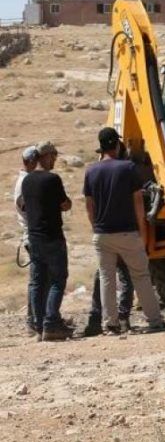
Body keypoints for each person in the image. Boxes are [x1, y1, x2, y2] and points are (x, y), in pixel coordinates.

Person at [84, 127, 165, 333]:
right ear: (116, 145)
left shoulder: (91, 171)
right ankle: (154, 320)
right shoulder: (128, 168)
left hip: (102, 234)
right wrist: (142, 231)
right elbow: (138, 203)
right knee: (141, 276)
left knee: (107, 279)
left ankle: (110, 323)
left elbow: (89, 206)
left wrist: (96, 228)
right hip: (127, 233)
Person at [18, 141, 73, 341]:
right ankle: (51, 324)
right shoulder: (52, 179)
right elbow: (65, 204)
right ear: (47, 156)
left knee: (38, 282)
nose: (55, 160)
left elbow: (24, 206)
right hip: (52, 237)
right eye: (54, 156)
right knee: (58, 280)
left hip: (34, 237)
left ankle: (38, 325)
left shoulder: (26, 181)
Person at [14, 146, 40, 334]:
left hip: (32, 234)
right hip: (32, 235)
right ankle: (33, 321)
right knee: (37, 280)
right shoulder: (25, 183)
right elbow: (27, 208)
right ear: (31, 161)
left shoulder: (26, 180)